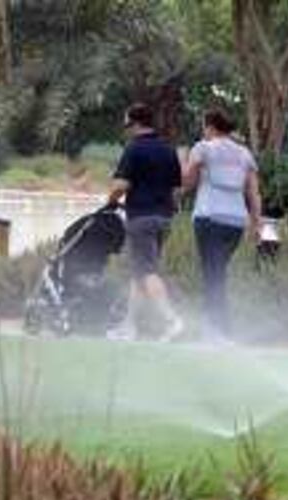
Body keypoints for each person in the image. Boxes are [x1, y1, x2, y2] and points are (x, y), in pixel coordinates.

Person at [182, 107, 262, 343]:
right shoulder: (244, 154)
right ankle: (218, 329)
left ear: (210, 127)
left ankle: (217, 331)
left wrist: (182, 163)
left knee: (212, 275)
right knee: (217, 272)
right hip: (236, 222)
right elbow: (254, 193)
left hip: (209, 216)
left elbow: (187, 181)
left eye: (204, 127)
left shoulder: (203, 148)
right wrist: (256, 224)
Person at [107, 103, 184, 342]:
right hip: (164, 218)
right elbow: (176, 190)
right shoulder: (168, 150)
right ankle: (128, 326)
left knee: (147, 271)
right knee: (139, 272)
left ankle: (171, 320)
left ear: (135, 124)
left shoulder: (134, 149)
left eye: (128, 126)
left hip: (141, 217)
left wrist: (110, 201)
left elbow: (122, 185)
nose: (127, 131)